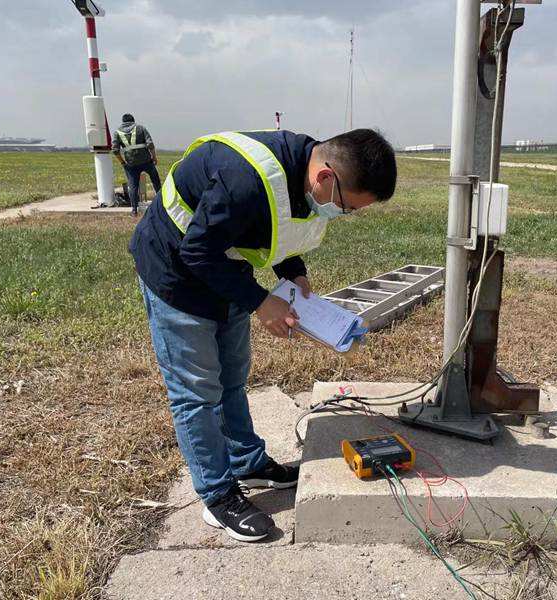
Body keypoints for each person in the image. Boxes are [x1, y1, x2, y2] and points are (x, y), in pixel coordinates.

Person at [130, 128, 397, 542]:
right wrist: (259, 302)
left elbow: (277, 225)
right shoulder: (244, 181)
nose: (346, 215)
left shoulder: (301, 165)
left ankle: (247, 463)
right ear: (326, 179)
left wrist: (293, 272)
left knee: (233, 379)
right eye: (347, 208)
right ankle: (218, 496)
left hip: (225, 272)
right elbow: (196, 250)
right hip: (175, 274)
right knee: (197, 392)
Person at [112, 113, 162, 216]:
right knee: (155, 181)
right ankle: (162, 204)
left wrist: (122, 162)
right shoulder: (141, 128)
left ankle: (134, 210)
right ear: (133, 120)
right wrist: (154, 157)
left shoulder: (117, 132)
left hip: (131, 164)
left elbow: (115, 150)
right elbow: (150, 144)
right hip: (146, 161)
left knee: (133, 187)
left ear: (123, 122)